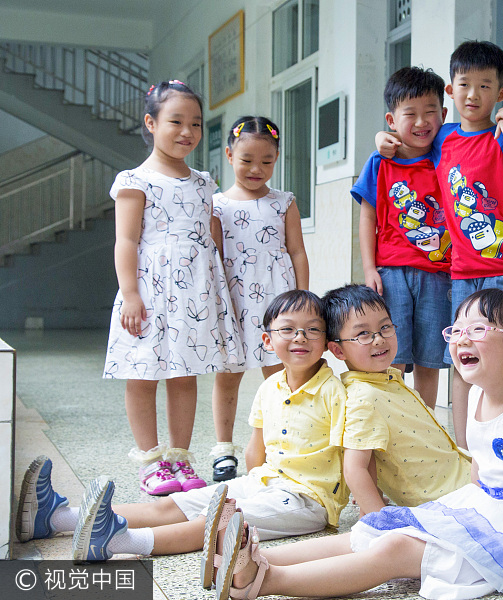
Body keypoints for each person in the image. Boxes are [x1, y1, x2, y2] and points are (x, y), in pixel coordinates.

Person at [208, 288, 503, 600]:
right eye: (459, 330)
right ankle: (252, 555)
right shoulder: (477, 394)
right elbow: (478, 471)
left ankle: (262, 582)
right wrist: (454, 510)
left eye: (479, 329)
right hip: (485, 508)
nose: (462, 339)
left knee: (394, 549)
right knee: (374, 529)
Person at [16, 290, 348, 567]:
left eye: (312, 330)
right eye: (288, 329)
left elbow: (352, 455)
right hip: (262, 482)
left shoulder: (336, 391)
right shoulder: (270, 386)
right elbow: (254, 449)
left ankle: (116, 541)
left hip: (308, 502)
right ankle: (55, 518)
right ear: (267, 339)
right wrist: (251, 486)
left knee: (215, 522)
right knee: (172, 505)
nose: (300, 337)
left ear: (327, 341)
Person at [378, 40, 503, 449]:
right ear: (450, 90)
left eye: (486, 86)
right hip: (461, 275)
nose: (473, 94)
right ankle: (463, 450)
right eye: (464, 84)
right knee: (460, 363)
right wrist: (382, 137)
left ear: (500, 94)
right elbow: (406, 133)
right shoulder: (443, 138)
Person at [102, 80, 244, 495]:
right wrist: (130, 293)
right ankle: (150, 461)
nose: (187, 131)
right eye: (176, 121)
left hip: (194, 293)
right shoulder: (135, 180)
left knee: (186, 374)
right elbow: (126, 241)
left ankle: (179, 458)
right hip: (149, 290)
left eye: (196, 123)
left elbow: (210, 239)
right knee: (143, 372)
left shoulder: (203, 182)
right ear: (151, 123)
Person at [208, 116, 310, 482]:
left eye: (266, 161)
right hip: (234, 301)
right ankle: (224, 450)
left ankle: (282, 447)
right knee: (228, 375)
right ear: (229, 154)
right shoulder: (216, 205)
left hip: (278, 302)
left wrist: (301, 300)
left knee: (281, 375)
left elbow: (297, 251)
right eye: (247, 159)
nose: (256, 169)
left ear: (277, 158)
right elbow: (215, 258)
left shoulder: (284, 202)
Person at [352, 67, 452, 410]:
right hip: (391, 273)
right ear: (392, 119)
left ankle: (425, 423)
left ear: (444, 115)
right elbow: (367, 217)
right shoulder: (379, 163)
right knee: (391, 353)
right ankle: (393, 420)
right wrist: (369, 268)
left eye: (430, 112)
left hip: (438, 274)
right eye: (411, 114)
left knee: (430, 358)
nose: (422, 121)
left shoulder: (446, 156)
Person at [323, 284, 471, 516]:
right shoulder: (363, 397)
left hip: (462, 478)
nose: (379, 339)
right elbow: (354, 468)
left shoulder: (388, 378)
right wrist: (378, 519)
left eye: (385, 327)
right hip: (448, 500)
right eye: (363, 334)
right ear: (338, 351)